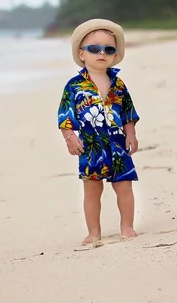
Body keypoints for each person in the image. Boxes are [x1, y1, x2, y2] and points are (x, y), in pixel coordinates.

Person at [57, 19, 140, 246]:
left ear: (114, 55)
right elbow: (65, 116)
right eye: (94, 48)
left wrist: (131, 134)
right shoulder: (74, 86)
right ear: (82, 53)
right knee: (92, 191)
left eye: (109, 49)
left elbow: (128, 113)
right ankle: (94, 232)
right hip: (91, 146)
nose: (101, 53)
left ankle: (127, 226)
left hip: (118, 144)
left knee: (125, 186)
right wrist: (69, 138)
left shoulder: (119, 84)